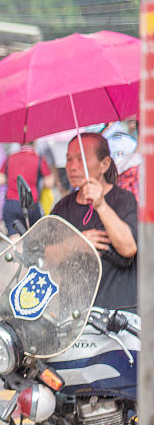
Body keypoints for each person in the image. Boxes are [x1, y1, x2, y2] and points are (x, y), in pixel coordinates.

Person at [52, 133, 137, 312]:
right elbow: (44, 258)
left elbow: (129, 248)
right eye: (69, 159)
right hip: (74, 315)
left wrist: (101, 205)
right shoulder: (62, 208)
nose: (72, 167)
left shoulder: (124, 200)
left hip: (116, 315)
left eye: (81, 159)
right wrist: (77, 243)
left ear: (104, 164)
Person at [0, 142, 51, 234]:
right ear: (35, 142)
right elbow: (49, 183)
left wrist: (12, 179)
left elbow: (0, 180)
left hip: (12, 203)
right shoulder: (39, 159)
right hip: (31, 204)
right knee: (33, 236)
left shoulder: (10, 157)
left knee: (14, 237)